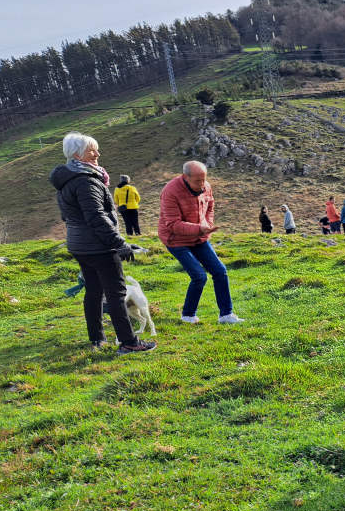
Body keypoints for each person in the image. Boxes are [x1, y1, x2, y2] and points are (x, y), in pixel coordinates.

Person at [50, 132, 154, 354]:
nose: (97, 153)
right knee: (116, 293)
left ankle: (97, 339)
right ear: (78, 155)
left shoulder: (67, 180)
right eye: (91, 150)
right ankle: (129, 342)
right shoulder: (86, 181)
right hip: (98, 246)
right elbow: (96, 217)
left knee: (94, 290)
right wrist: (120, 243)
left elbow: (66, 216)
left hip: (79, 245)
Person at [158, 160, 244, 325]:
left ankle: (226, 315)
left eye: (204, 179)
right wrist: (200, 228)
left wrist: (208, 224)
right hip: (176, 240)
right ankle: (188, 315)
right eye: (198, 180)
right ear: (185, 177)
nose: (202, 184)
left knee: (220, 271)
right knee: (199, 276)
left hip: (199, 237)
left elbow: (210, 206)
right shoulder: (170, 191)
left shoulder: (206, 187)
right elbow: (173, 224)